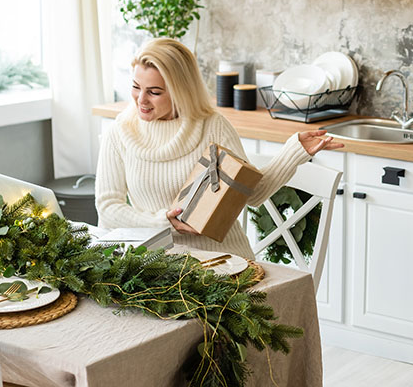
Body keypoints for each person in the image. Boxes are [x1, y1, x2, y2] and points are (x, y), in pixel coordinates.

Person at [95, 38, 343, 258]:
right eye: (136, 87)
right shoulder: (120, 132)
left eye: (155, 92)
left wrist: (294, 151)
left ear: (180, 91)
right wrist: (161, 222)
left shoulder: (212, 127)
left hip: (224, 262)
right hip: (155, 265)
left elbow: (252, 195)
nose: (141, 100)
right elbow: (108, 209)